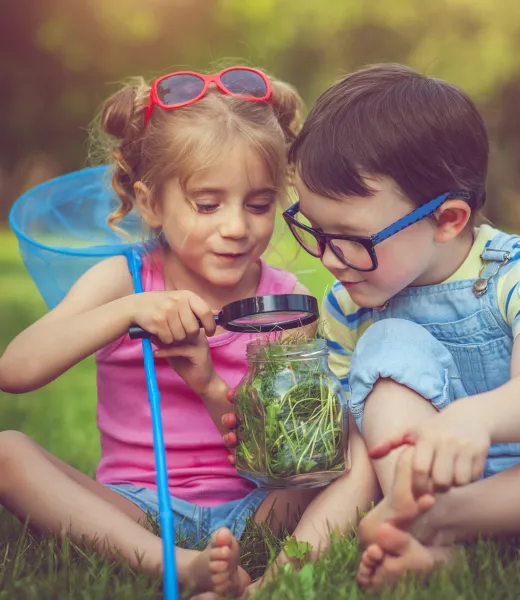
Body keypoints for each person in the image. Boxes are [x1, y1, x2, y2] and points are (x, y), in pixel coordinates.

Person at [226, 62, 520, 590]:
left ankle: (445, 522)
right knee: (386, 345)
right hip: (416, 479)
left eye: (353, 237)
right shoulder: (348, 304)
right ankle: (429, 524)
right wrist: (279, 577)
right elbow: (356, 457)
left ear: (447, 220)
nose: (331, 259)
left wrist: (475, 419)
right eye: (316, 229)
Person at [0, 65, 323, 597]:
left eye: (259, 205)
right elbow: (15, 369)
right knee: (8, 452)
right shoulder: (122, 278)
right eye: (208, 204)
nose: (237, 226)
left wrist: (208, 386)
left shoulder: (285, 301)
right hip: (135, 506)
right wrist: (128, 311)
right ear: (151, 203)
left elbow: (291, 455)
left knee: (343, 457)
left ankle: (219, 561)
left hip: (257, 506)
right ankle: (171, 563)